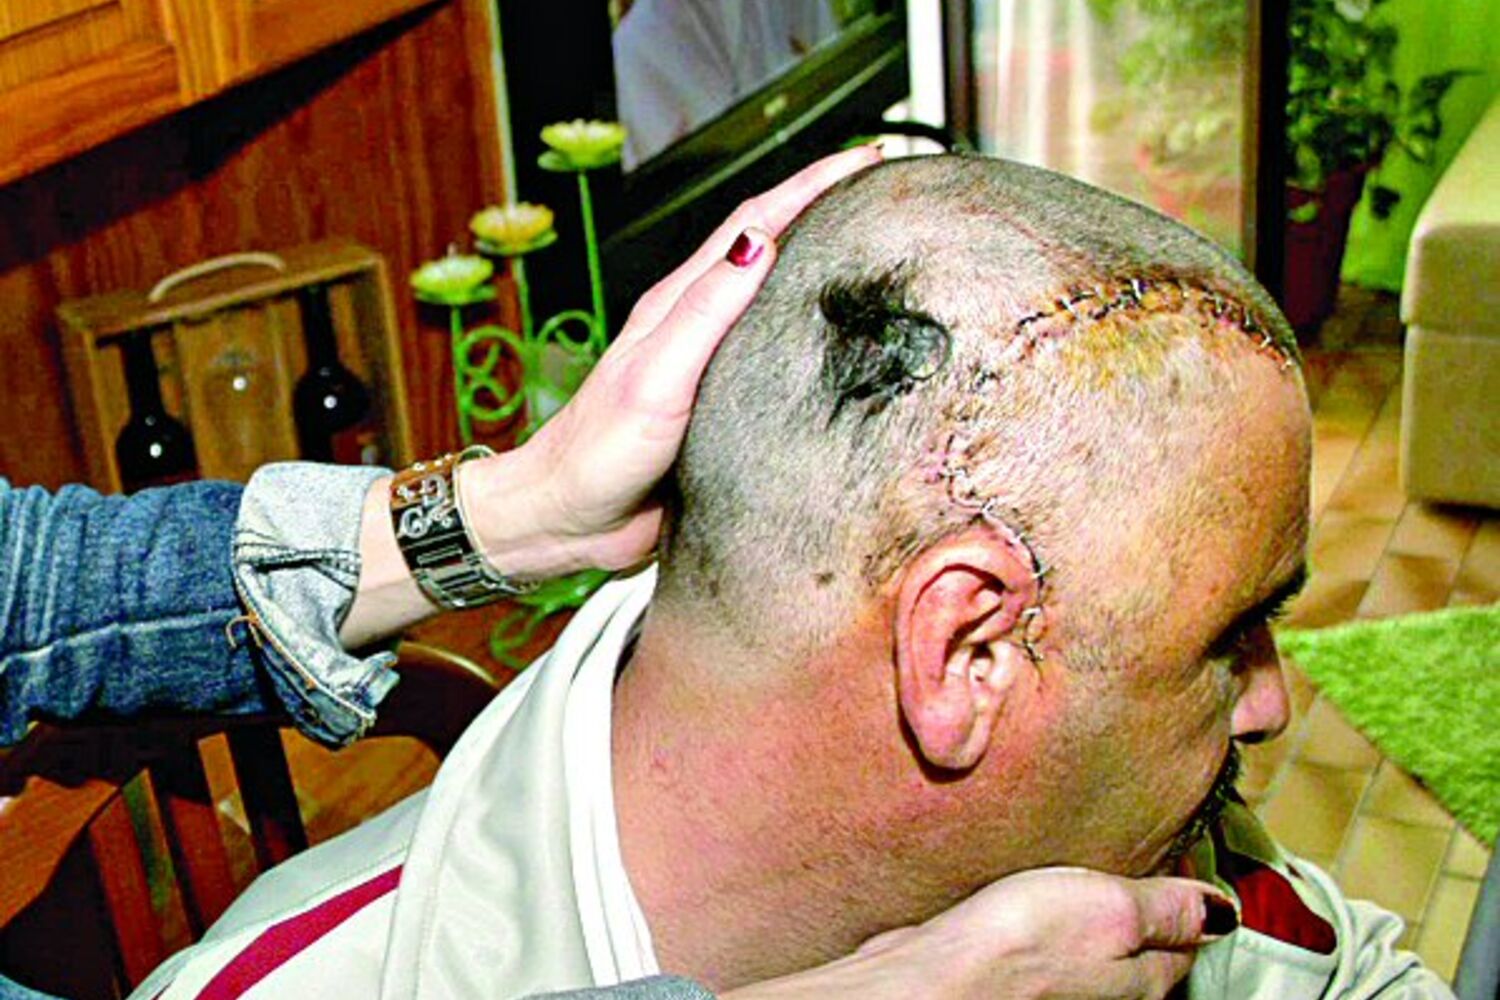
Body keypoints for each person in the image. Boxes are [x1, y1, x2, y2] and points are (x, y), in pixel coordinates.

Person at [123, 152, 1457, 1000]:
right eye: (1234, 635)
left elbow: (1346, 971)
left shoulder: (1142, 856)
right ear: (967, 651)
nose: (1272, 702)